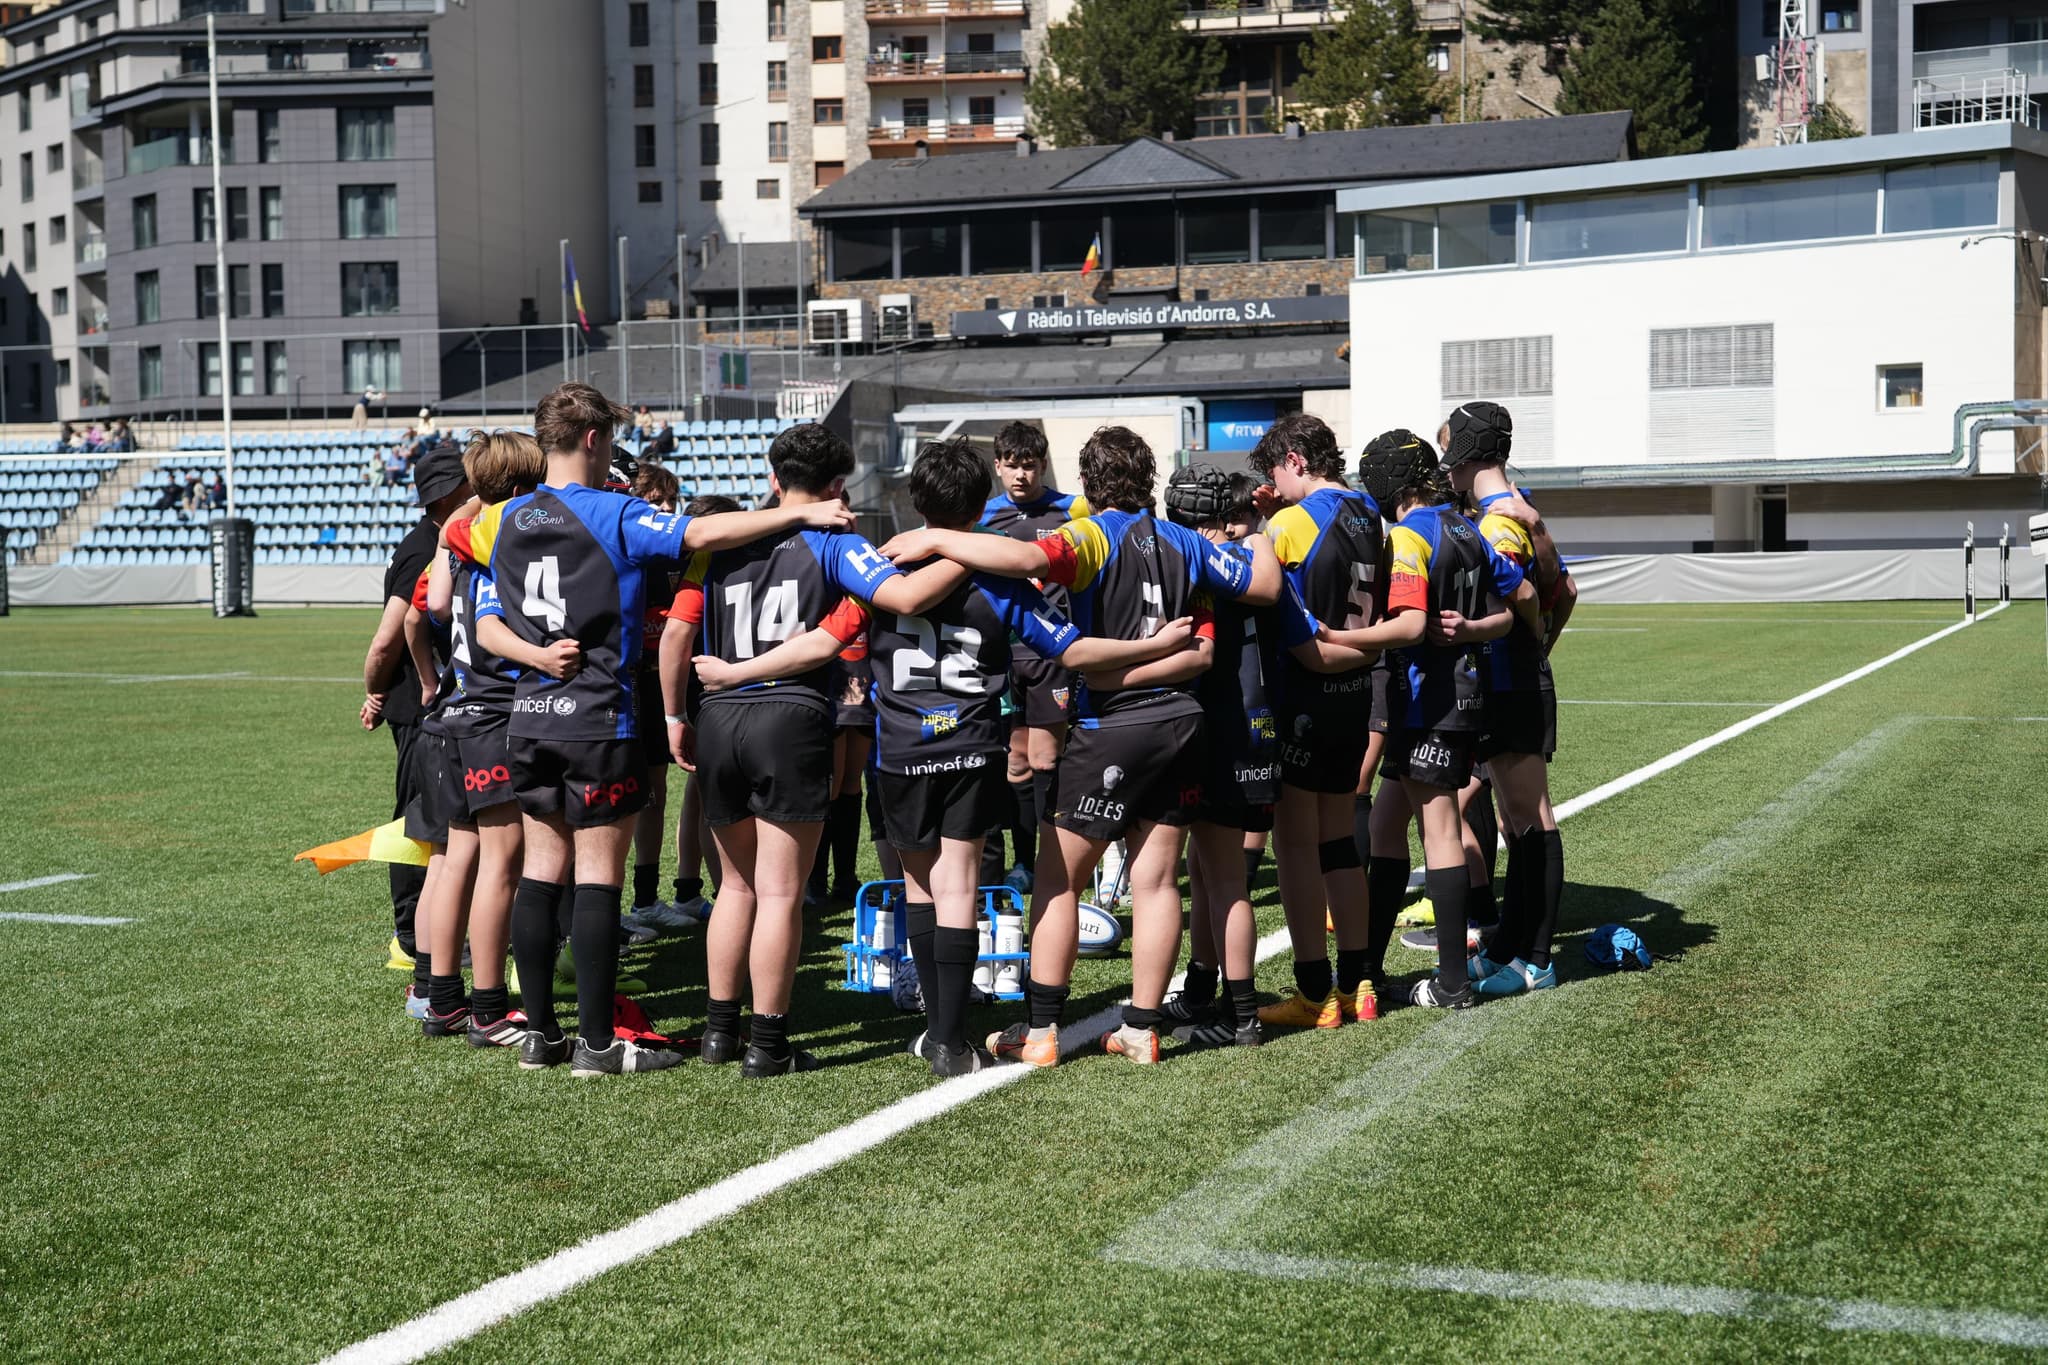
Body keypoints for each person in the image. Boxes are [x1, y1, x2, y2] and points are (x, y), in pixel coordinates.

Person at [696, 439, 1189, 1076]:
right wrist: (1153, 650)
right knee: (959, 888)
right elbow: (1069, 650)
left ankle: (926, 1026)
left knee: (919, 890)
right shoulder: (1001, 580)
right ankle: (951, 1041)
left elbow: (822, 640)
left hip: (900, 752)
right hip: (974, 745)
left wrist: (736, 673)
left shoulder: (880, 568)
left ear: (913, 499)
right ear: (982, 499)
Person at [444, 384, 852, 1078]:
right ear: (597, 440)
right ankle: (599, 1043)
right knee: (598, 876)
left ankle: (540, 1035)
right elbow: (697, 533)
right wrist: (800, 511)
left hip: (529, 713)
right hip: (598, 716)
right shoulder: (614, 510)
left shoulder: (503, 520)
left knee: (541, 872)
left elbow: (460, 545)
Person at [882, 425, 1282, 1066]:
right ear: (1148, 479)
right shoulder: (1184, 540)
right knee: (1155, 882)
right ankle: (1143, 1026)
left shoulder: (1094, 532)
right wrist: (1262, 534)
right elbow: (1263, 587)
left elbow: (1028, 561)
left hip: (1112, 726)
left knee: (1057, 879)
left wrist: (933, 536)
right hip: (1184, 721)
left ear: (1090, 484)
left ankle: (1040, 1032)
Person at [658, 423, 967, 1078]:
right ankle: (769, 1044)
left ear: (774, 479)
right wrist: (965, 546)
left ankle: (720, 1032)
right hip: (788, 714)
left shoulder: (721, 538)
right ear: (836, 487)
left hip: (717, 717)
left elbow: (677, 636)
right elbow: (905, 596)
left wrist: (674, 715)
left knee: (734, 887)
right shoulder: (835, 541)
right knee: (778, 893)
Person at [1161, 465, 1377, 1049]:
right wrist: (1374, 652)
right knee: (1289, 856)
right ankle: (1355, 985)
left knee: (1216, 873)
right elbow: (1306, 642)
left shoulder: (1178, 560)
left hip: (1201, 731)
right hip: (1269, 729)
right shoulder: (1265, 560)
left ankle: (1243, 1006)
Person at [1355, 431, 1541, 1009]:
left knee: (1437, 834)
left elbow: (1410, 627)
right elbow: (1521, 600)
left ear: (1390, 483)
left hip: (1425, 703)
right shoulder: (1465, 527)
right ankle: (1365, 969)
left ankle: (1454, 982)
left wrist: (1340, 637)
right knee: (1387, 826)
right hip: (1457, 698)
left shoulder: (1411, 536)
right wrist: (1473, 629)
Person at [1246, 413, 1400, 1031]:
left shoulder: (1290, 522)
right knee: (1339, 842)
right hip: (1356, 689)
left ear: (1296, 460)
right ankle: (1360, 981)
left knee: (1296, 848)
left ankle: (1315, 991)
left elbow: (1253, 582)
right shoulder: (1371, 513)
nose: (1273, 485)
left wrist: (1256, 528)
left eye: (1275, 472)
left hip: (1302, 694)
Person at [1442, 401, 1577, 998]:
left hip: (1510, 680)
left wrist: (1524, 644)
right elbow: (1565, 591)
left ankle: (1538, 960)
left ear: (1467, 456)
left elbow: (1532, 592)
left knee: (1531, 820)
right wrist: (1541, 643)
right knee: (1518, 822)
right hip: (1512, 676)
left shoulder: (1497, 522)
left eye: (1449, 455)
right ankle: (1511, 947)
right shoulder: (1511, 511)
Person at [361, 442, 473, 977]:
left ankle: (424, 929)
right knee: (418, 823)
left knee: (431, 820)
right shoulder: (423, 548)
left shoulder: (430, 539)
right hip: (419, 706)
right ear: (453, 491)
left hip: (421, 703)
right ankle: (409, 936)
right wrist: (374, 689)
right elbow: (388, 637)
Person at [977, 421, 1089, 894]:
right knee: (1016, 763)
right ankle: (1024, 863)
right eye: (1011, 466)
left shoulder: (1072, 510)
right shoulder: (984, 517)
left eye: (1029, 465)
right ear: (997, 466)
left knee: (1046, 759)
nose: (1020, 475)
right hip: (1003, 656)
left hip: (1053, 654)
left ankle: (1055, 861)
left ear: (1042, 464)